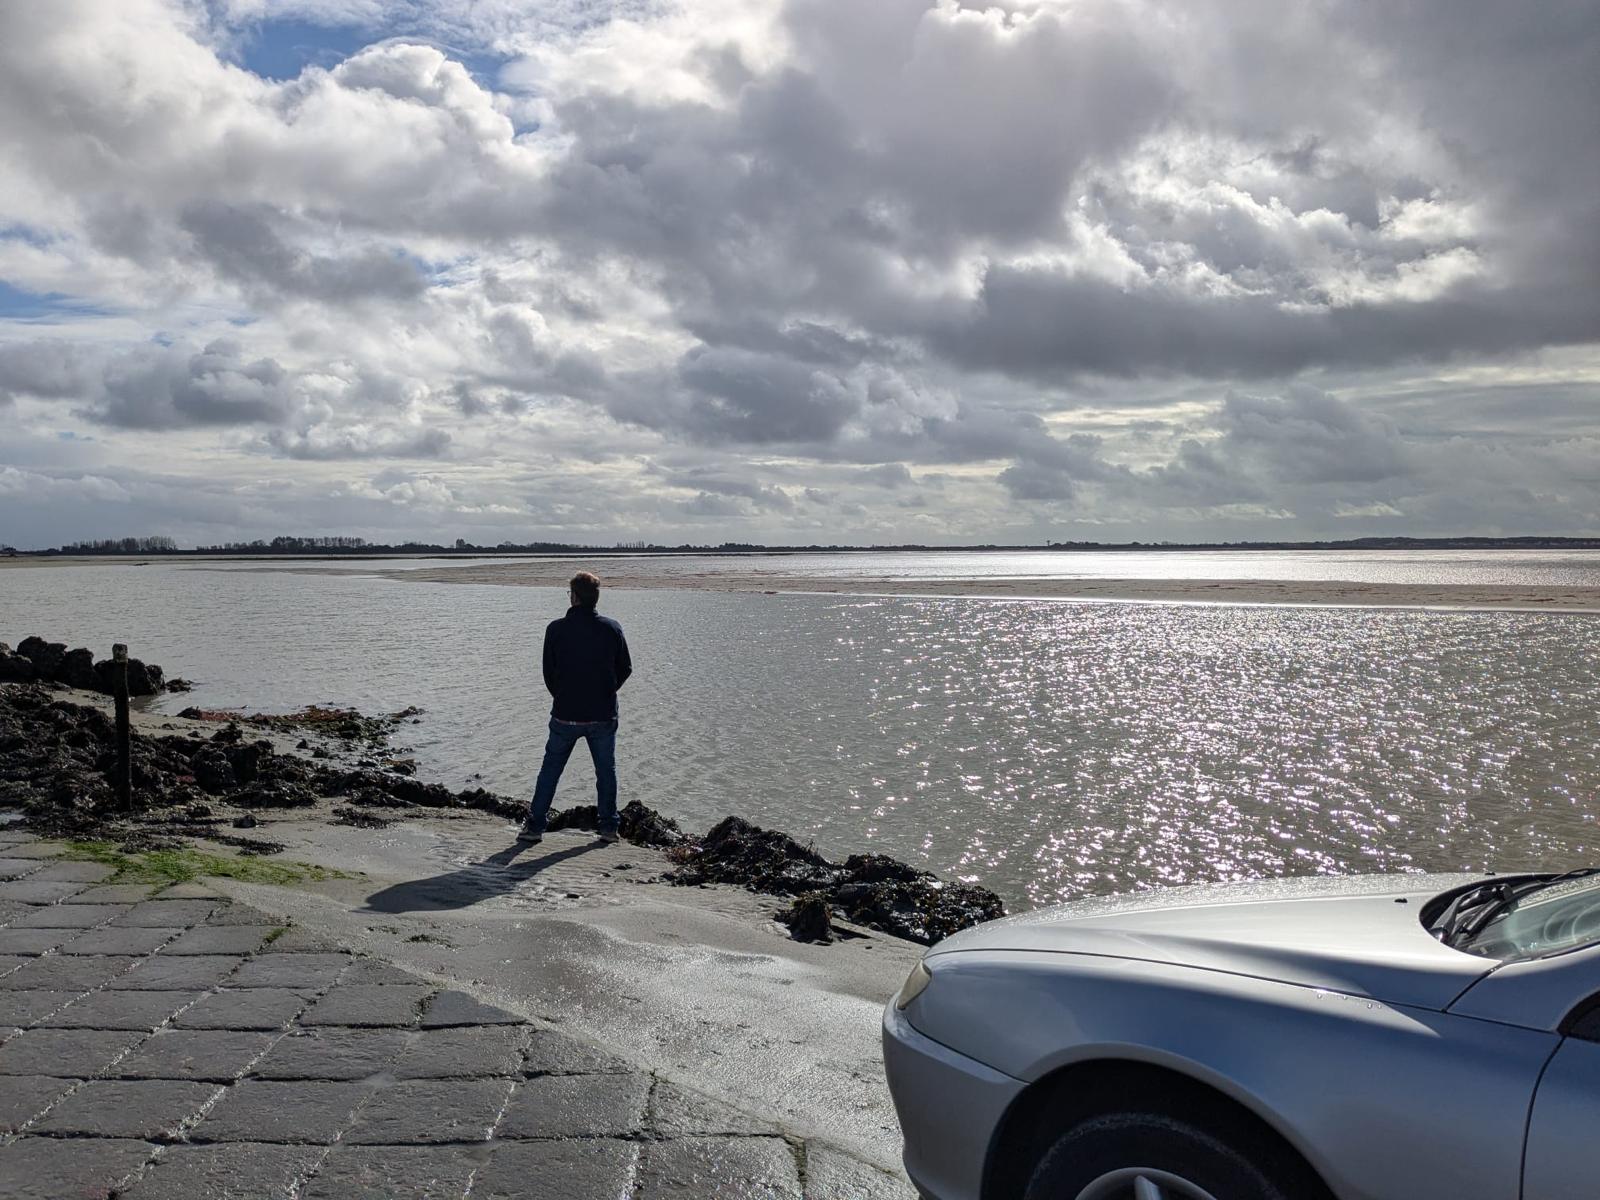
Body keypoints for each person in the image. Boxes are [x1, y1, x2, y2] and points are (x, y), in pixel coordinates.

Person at [519, 571, 633, 845]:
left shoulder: (556, 629)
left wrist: (562, 694)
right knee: (606, 771)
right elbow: (625, 668)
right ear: (595, 598)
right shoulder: (612, 628)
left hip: (566, 713)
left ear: (574, 598)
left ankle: (535, 826)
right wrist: (606, 691)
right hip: (602, 713)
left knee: (551, 770)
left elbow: (548, 672)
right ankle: (607, 827)